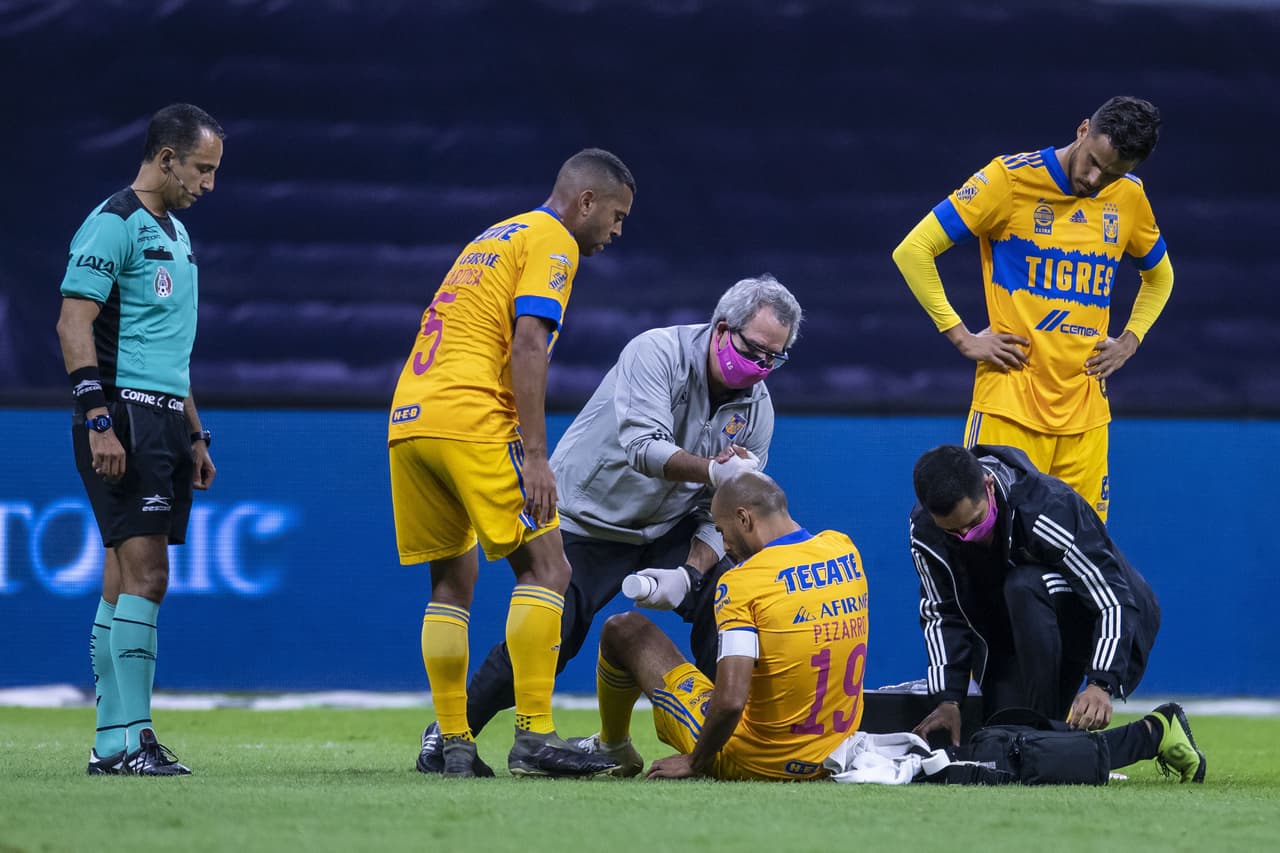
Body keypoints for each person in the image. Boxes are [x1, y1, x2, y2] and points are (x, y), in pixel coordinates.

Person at [415, 274, 802, 773]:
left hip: (669, 522)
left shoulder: (758, 409)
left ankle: (737, 730)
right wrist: (713, 469)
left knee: (726, 595)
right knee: (552, 637)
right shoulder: (656, 352)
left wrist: (690, 573)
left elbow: (720, 512)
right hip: (589, 515)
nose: (762, 366)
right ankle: (450, 732)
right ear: (723, 328)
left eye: (776, 358)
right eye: (755, 350)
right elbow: (643, 447)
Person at [388, 148, 635, 778]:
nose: (616, 230)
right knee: (549, 570)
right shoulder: (555, 240)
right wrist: (534, 454)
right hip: (474, 418)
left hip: (411, 419)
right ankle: (535, 735)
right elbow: (529, 345)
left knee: (450, 583)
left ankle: (452, 743)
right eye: (615, 214)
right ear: (586, 201)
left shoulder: (495, 235)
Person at [892, 96, 1172, 522]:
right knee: (991, 552)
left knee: (1081, 559)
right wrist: (961, 336)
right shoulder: (1009, 180)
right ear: (1082, 130)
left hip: (1086, 418)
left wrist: (1130, 340)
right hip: (1010, 409)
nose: (1096, 180)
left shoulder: (1129, 197)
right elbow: (913, 250)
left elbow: (1160, 277)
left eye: (1113, 173)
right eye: (1093, 162)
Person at [56, 103, 225, 776]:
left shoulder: (177, 236)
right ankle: (135, 738)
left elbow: (168, 349)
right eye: (202, 169)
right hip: (121, 414)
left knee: (120, 579)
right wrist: (97, 418)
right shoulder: (112, 222)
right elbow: (73, 322)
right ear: (165, 159)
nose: (208, 184)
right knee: (149, 576)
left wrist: (195, 432)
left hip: (162, 420)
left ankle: (109, 743)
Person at [579, 471, 869, 780]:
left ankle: (613, 747)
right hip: (832, 756)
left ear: (744, 519)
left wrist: (696, 761)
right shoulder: (843, 550)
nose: (724, 544)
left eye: (720, 529)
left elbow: (731, 701)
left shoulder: (742, 582)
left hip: (757, 762)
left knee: (624, 629)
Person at [907, 444, 1160, 748]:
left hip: (1103, 612)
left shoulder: (1046, 507)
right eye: (953, 532)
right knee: (998, 739)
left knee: (1023, 585)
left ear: (988, 486)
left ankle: (1140, 733)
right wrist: (948, 700)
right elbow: (941, 613)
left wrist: (1100, 683)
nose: (968, 537)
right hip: (1018, 628)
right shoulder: (926, 533)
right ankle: (1059, 739)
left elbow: (1112, 597)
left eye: (975, 523)